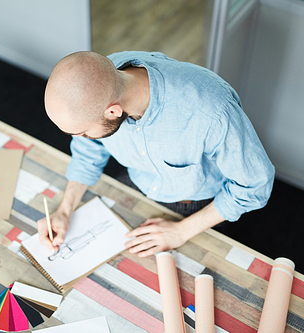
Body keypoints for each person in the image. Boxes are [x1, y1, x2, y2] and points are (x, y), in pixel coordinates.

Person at [37, 51, 275, 257]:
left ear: (113, 111)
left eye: (82, 132)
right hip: (140, 181)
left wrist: (181, 231)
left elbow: (255, 185)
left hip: (196, 205)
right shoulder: (99, 80)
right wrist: (64, 211)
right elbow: (88, 151)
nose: (79, 138)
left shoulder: (212, 111)